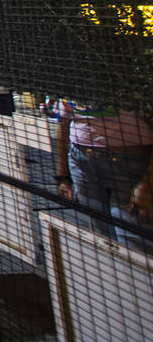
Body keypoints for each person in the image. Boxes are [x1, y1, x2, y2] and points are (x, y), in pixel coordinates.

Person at [55, 99, 153, 251]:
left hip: (130, 163)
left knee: (134, 242)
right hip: (81, 161)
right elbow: (64, 123)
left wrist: (147, 184)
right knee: (102, 241)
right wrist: (63, 176)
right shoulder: (72, 80)